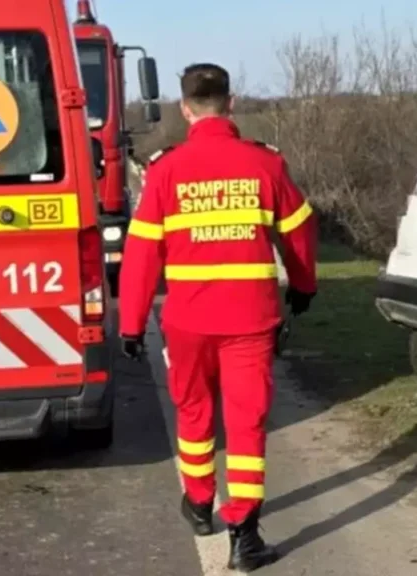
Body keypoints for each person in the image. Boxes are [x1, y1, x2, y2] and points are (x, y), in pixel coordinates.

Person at [118, 63, 317, 573]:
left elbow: (142, 256)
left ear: (185, 110)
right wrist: (303, 285)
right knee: (246, 425)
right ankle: (244, 537)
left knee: (194, 415)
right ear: (230, 104)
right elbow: (298, 232)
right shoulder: (265, 166)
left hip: (187, 321)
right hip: (250, 320)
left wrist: (131, 324)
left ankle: (200, 504)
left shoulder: (165, 171)